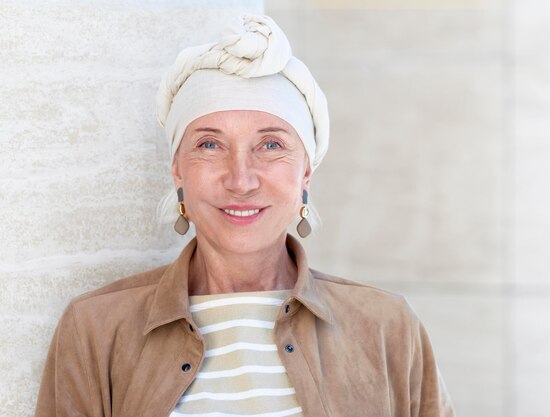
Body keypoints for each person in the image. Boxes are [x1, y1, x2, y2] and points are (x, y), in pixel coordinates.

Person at [35, 14, 455, 417]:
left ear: (305, 172)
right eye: (210, 145)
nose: (241, 180)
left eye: (270, 145)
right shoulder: (96, 328)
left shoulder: (386, 326)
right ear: (177, 169)